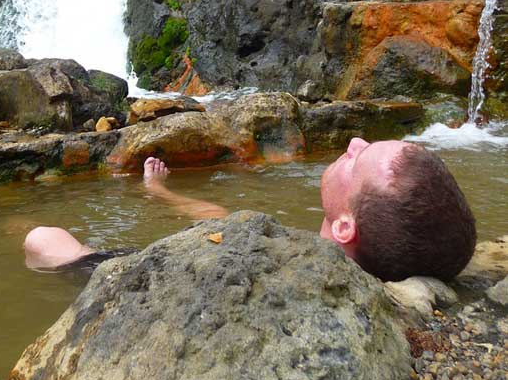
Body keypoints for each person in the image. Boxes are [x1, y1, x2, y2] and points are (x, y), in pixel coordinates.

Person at [24, 138, 477, 282]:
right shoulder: (337, 254)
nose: (353, 143)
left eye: (358, 158)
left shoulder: (285, 271)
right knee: (226, 216)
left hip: (150, 274)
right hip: (217, 243)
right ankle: (160, 193)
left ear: (344, 226)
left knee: (40, 238)